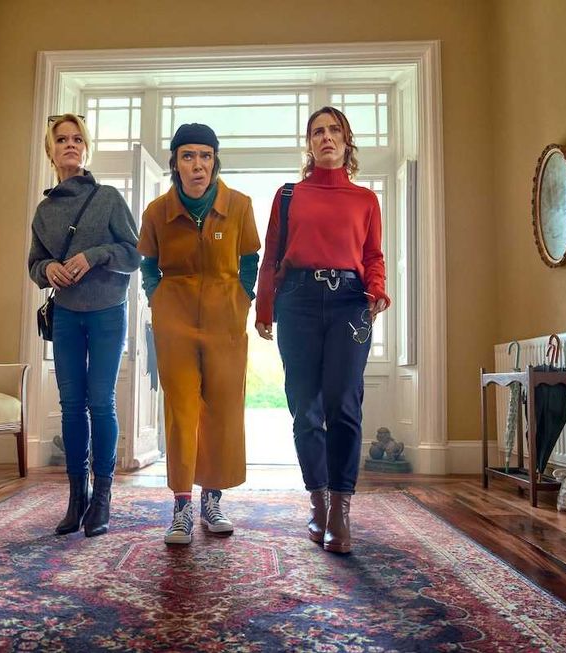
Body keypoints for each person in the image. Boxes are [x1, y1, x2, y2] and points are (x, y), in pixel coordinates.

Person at [254, 106, 390, 554]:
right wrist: (265, 308)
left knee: (343, 403)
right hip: (298, 302)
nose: (326, 137)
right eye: (317, 132)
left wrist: (377, 289)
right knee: (305, 407)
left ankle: (340, 510)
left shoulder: (365, 200)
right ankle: (317, 500)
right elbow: (272, 252)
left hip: (351, 304)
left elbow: (373, 255)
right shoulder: (290, 194)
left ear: (347, 141)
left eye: (334, 130)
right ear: (309, 144)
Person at [138, 123, 260, 546]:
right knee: (182, 408)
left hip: (225, 317)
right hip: (175, 317)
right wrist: (157, 298)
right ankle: (182, 506)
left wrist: (244, 297)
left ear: (215, 161)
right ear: (175, 162)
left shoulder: (240, 206)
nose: (198, 165)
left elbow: (250, 259)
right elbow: (148, 265)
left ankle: (213, 499)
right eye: (188, 156)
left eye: (205, 156)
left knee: (223, 407)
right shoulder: (157, 211)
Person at [28, 113, 141, 537]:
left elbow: (135, 254)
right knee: (72, 406)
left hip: (108, 311)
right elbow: (34, 264)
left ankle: (103, 499)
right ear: (51, 150)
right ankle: (77, 497)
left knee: (101, 402)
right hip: (68, 316)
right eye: (62, 140)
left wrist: (93, 256)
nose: (70, 145)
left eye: (77, 139)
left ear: (86, 148)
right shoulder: (43, 211)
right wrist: (49, 269)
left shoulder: (108, 197)